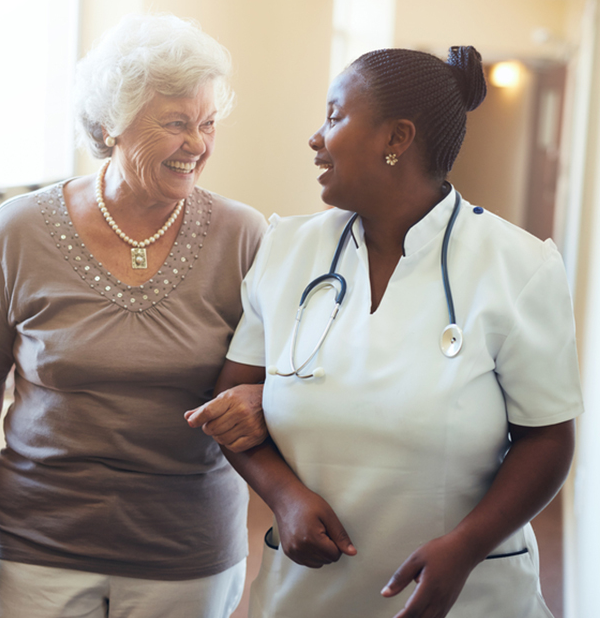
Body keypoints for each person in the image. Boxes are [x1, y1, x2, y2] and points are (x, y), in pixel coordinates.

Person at [189, 46, 583, 617]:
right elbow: (230, 410)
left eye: (334, 116)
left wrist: (466, 549)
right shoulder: (286, 250)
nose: (315, 138)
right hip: (309, 593)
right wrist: (285, 497)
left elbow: (547, 439)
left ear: (396, 139)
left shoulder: (519, 267)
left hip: (469, 596)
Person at [0, 13, 268, 618]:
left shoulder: (243, 235)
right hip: (34, 552)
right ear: (112, 124)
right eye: (176, 124)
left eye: (208, 123)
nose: (198, 144)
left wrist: (263, 400)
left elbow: (283, 374)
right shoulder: (21, 230)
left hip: (186, 556)